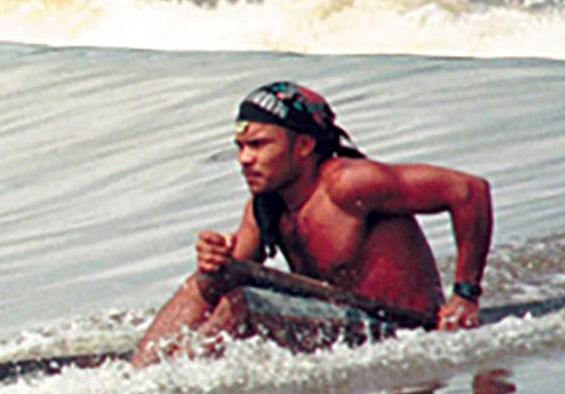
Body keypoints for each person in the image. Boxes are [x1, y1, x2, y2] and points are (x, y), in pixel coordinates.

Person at [133, 81, 492, 364]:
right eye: (240, 146)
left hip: (402, 328)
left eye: (258, 145)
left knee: (243, 305)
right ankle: (143, 372)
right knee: (209, 280)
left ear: (303, 145)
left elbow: (469, 191)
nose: (244, 159)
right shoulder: (264, 205)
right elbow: (225, 275)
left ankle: (180, 376)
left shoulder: (348, 184)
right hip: (337, 317)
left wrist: (465, 295)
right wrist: (213, 257)